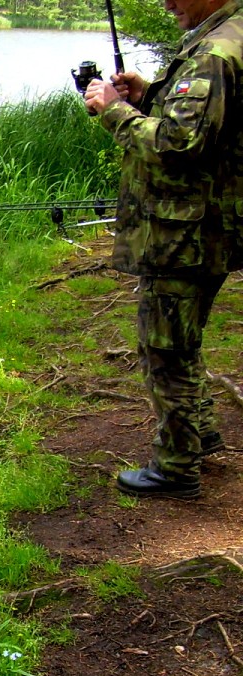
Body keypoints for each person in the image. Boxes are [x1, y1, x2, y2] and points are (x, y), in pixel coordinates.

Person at [83, 0, 243, 499]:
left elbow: (180, 145)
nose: (167, 3)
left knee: (165, 348)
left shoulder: (216, 51)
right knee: (183, 337)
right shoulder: (230, 37)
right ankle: (202, 437)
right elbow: (215, 125)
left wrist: (116, 113)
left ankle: (176, 469)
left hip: (187, 234)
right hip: (209, 224)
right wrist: (149, 93)